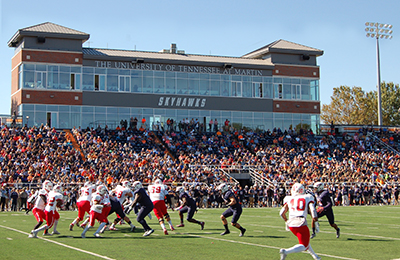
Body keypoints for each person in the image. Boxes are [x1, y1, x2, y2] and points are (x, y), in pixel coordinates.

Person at [279, 183, 321, 260]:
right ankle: (286, 251)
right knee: (304, 245)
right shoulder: (308, 197)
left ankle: (315, 256)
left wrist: (286, 222)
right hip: (301, 222)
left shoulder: (289, 198)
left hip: (291, 223)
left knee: (305, 240)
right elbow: (313, 211)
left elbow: (281, 213)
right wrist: (316, 224)